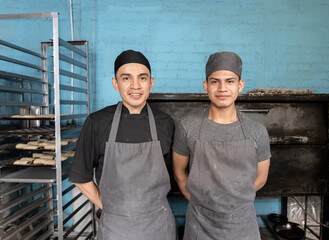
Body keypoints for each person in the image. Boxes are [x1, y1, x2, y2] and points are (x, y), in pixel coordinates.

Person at [69, 50, 176, 240]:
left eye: (142, 78)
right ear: (115, 83)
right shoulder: (97, 122)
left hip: (159, 226)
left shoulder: (166, 123)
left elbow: (174, 172)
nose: (135, 85)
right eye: (126, 78)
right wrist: (107, 205)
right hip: (115, 229)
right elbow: (80, 175)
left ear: (151, 83)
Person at [173, 51, 271, 240]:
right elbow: (179, 173)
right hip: (200, 225)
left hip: (243, 226)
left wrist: (233, 202)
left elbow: (261, 177)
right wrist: (201, 203)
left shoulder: (257, 131)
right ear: (206, 86)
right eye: (215, 81)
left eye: (230, 81)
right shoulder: (187, 126)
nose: (222, 88)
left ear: (240, 86)